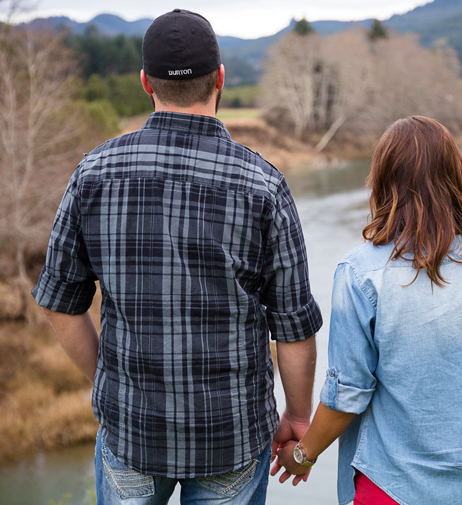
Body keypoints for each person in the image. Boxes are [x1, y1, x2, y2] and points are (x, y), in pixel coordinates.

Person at [32, 9, 321, 505]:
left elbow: (60, 302)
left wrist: (110, 379)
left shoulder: (93, 174)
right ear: (221, 79)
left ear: (146, 81)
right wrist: (297, 418)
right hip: (232, 439)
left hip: (130, 434)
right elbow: (292, 325)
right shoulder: (265, 185)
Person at [272, 116, 462, 505]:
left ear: (382, 180)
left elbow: (349, 392)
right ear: (456, 177)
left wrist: (301, 454)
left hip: (390, 488)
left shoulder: (360, 273)